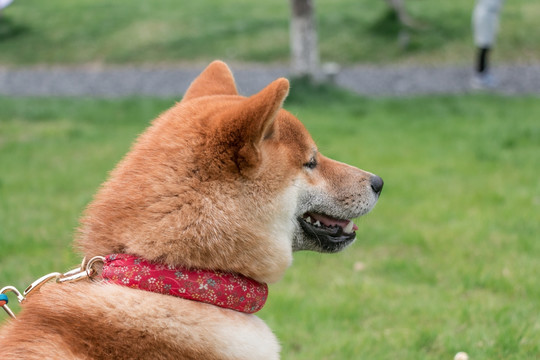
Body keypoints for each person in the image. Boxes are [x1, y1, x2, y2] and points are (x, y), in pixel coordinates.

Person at [471, 0, 505, 89]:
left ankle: (484, 72)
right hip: (486, 16)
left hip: (491, 15)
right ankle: (480, 74)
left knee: (488, 45)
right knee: (484, 44)